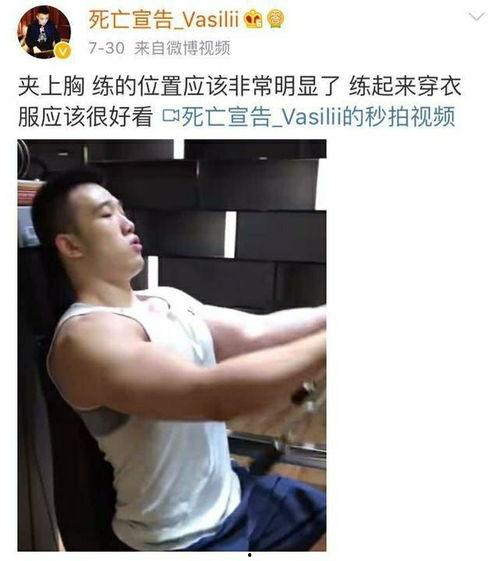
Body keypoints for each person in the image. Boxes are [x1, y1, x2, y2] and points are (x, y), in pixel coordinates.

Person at [31, 167, 327, 551]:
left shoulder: (166, 299)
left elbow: (257, 332)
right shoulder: (85, 337)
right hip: (180, 539)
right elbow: (211, 397)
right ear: (71, 246)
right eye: (106, 214)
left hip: (235, 494)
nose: (127, 223)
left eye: (122, 211)